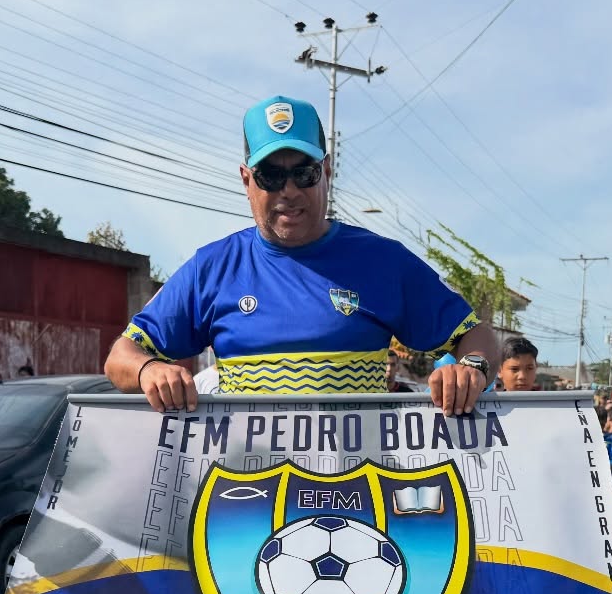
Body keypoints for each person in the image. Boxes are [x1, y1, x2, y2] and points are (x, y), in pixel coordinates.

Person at [104, 96, 497, 412]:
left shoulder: (384, 262)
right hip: (246, 483)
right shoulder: (212, 268)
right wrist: (148, 370)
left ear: (327, 171)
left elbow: (476, 336)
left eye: (304, 173)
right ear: (246, 180)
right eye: (271, 176)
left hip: (358, 482)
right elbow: (121, 356)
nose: (289, 191)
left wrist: (472, 369)